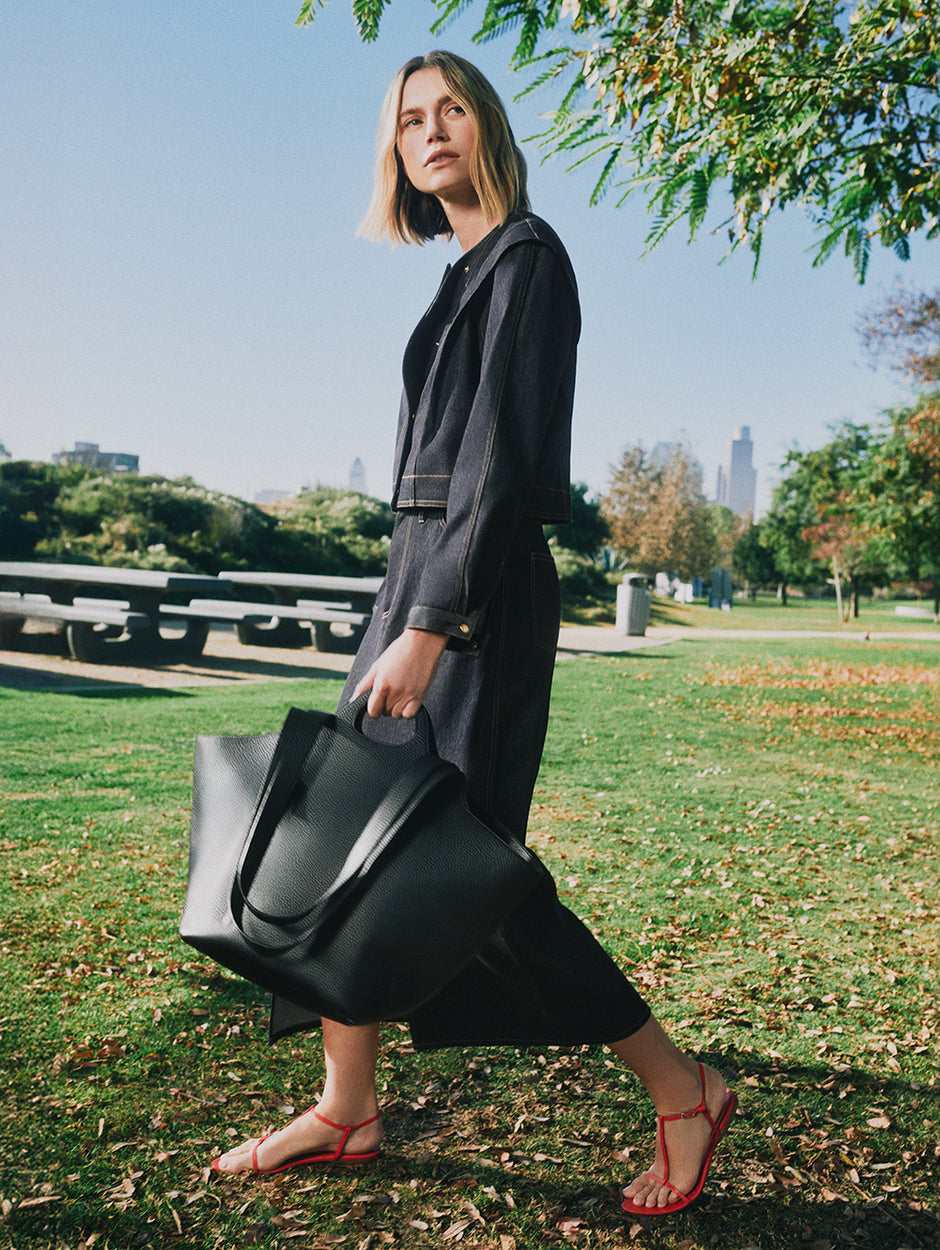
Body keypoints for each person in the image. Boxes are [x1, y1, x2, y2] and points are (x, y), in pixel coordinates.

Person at [210, 50, 736, 1216]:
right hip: (418, 583)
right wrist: (405, 606)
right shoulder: (456, 274)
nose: (430, 129)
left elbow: (497, 458)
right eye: (409, 118)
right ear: (394, 151)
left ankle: (682, 1085)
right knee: (342, 829)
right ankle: (346, 1106)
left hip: (475, 597)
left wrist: (434, 623)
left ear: (485, 127)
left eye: (450, 109)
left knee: (469, 870)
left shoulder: (525, 259)